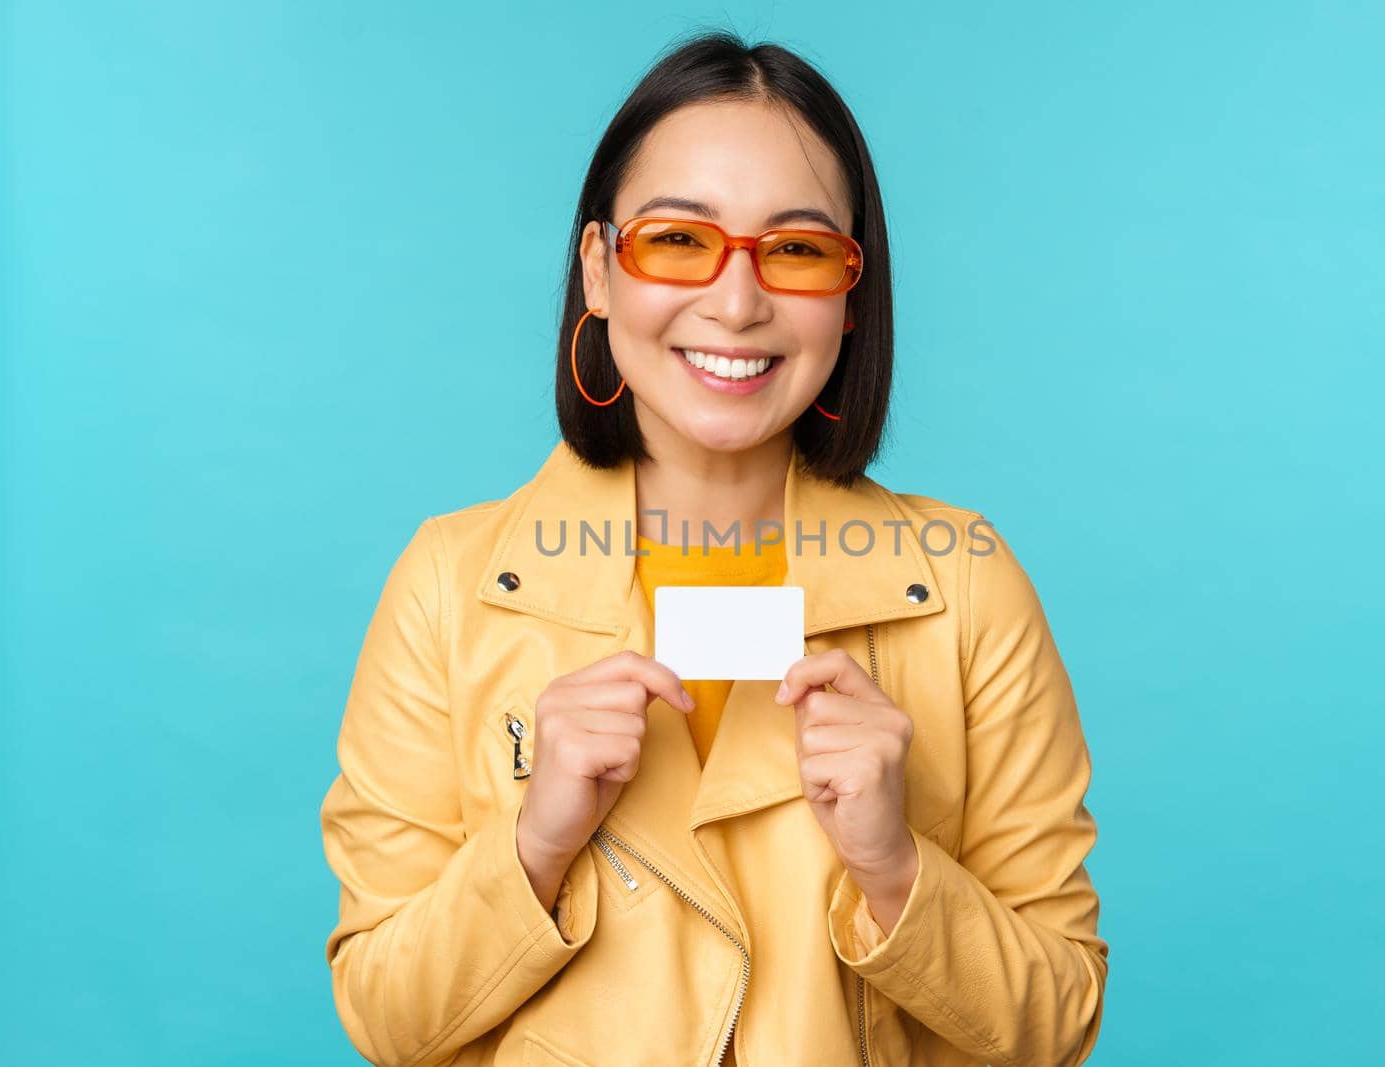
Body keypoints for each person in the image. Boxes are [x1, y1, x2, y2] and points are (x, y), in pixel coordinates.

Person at [319, 29, 1108, 1067]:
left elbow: (1059, 1020)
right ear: (598, 270)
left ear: (850, 297)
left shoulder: (962, 581)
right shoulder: (450, 582)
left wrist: (894, 865)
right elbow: (387, 1017)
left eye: (795, 249)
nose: (736, 302)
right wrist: (533, 845)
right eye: (679, 240)